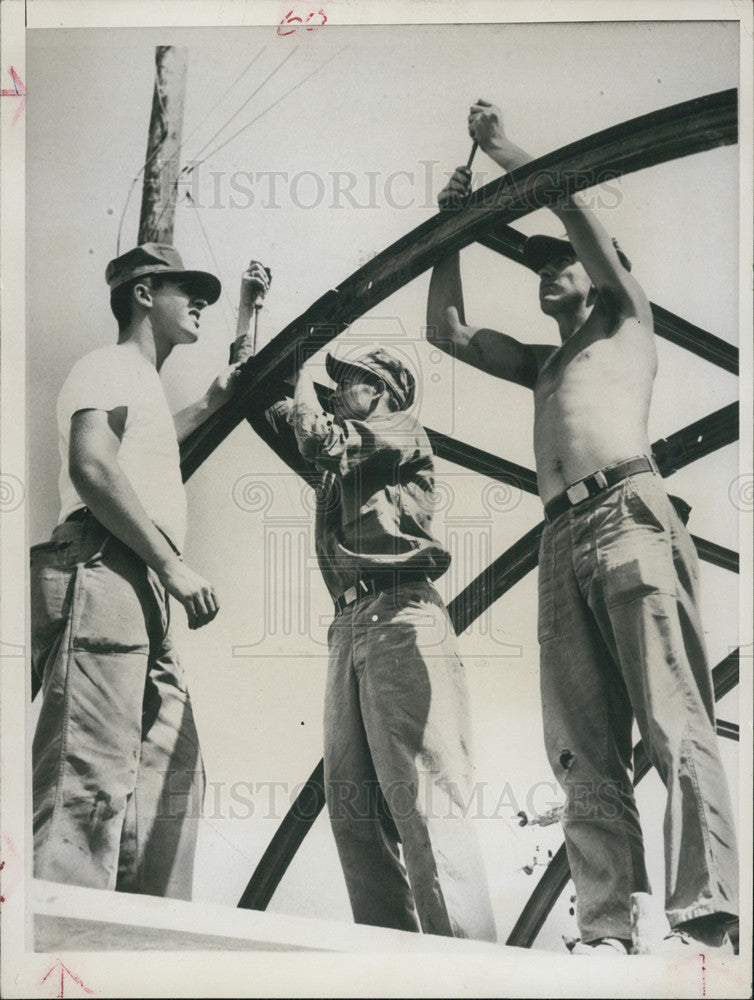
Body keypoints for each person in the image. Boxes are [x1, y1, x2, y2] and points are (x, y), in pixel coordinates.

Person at [425, 100, 738, 955]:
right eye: (537, 265)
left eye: (560, 262)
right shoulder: (544, 365)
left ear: (601, 271)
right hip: (561, 538)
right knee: (580, 747)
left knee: (673, 718)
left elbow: (572, 205)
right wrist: (449, 233)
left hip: (629, 512)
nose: (545, 269)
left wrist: (499, 153)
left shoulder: (627, 317)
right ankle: (606, 928)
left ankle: (706, 916)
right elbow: (445, 332)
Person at [245, 271, 496, 939]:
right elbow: (260, 400)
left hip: (400, 613)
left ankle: (470, 970)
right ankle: (393, 960)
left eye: (344, 384)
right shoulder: (341, 464)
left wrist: (300, 365)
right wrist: (253, 314)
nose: (331, 395)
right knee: (352, 811)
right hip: (349, 626)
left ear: (380, 391)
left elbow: (311, 434)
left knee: (423, 801)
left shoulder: (397, 434)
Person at [31, 242, 244, 899]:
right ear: (144, 294)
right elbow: (94, 467)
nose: (200, 301)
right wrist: (172, 565)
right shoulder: (108, 365)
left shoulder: (141, 386)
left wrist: (243, 326)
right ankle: (60, 950)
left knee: (171, 771)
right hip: (106, 562)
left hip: (138, 578)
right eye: (188, 289)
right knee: (89, 777)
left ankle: (146, 949)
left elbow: (166, 434)